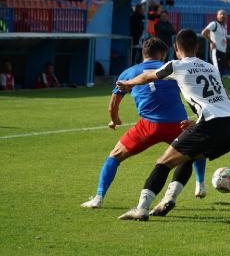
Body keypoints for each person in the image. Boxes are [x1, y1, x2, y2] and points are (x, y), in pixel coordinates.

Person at [116, 29, 230, 221]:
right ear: (197, 47)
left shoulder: (176, 66)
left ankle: (141, 208)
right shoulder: (211, 67)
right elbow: (222, 98)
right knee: (187, 158)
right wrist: (199, 119)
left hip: (210, 125)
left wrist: (128, 83)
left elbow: (147, 76)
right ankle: (168, 200)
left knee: (163, 162)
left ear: (175, 47)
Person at [80, 37, 207, 209]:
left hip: (148, 126)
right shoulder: (172, 68)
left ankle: (98, 197)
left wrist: (114, 119)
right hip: (177, 124)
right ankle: (200, 185)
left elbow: (113, 104)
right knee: (197, 151)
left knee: (115, 156)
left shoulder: (128, 73)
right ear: (162, 54)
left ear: (144, 53)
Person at [202, 9, 228, 76]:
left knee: (221, 72)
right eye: (220, 14)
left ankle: (217, 85)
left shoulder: (224, 26)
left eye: (224, 14)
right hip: (216, 51)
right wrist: (212, 42)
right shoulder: (214, 24)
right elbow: (204, 33)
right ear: (217, 16)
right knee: (217, 72)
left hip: (223, 51)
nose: (222, 16)